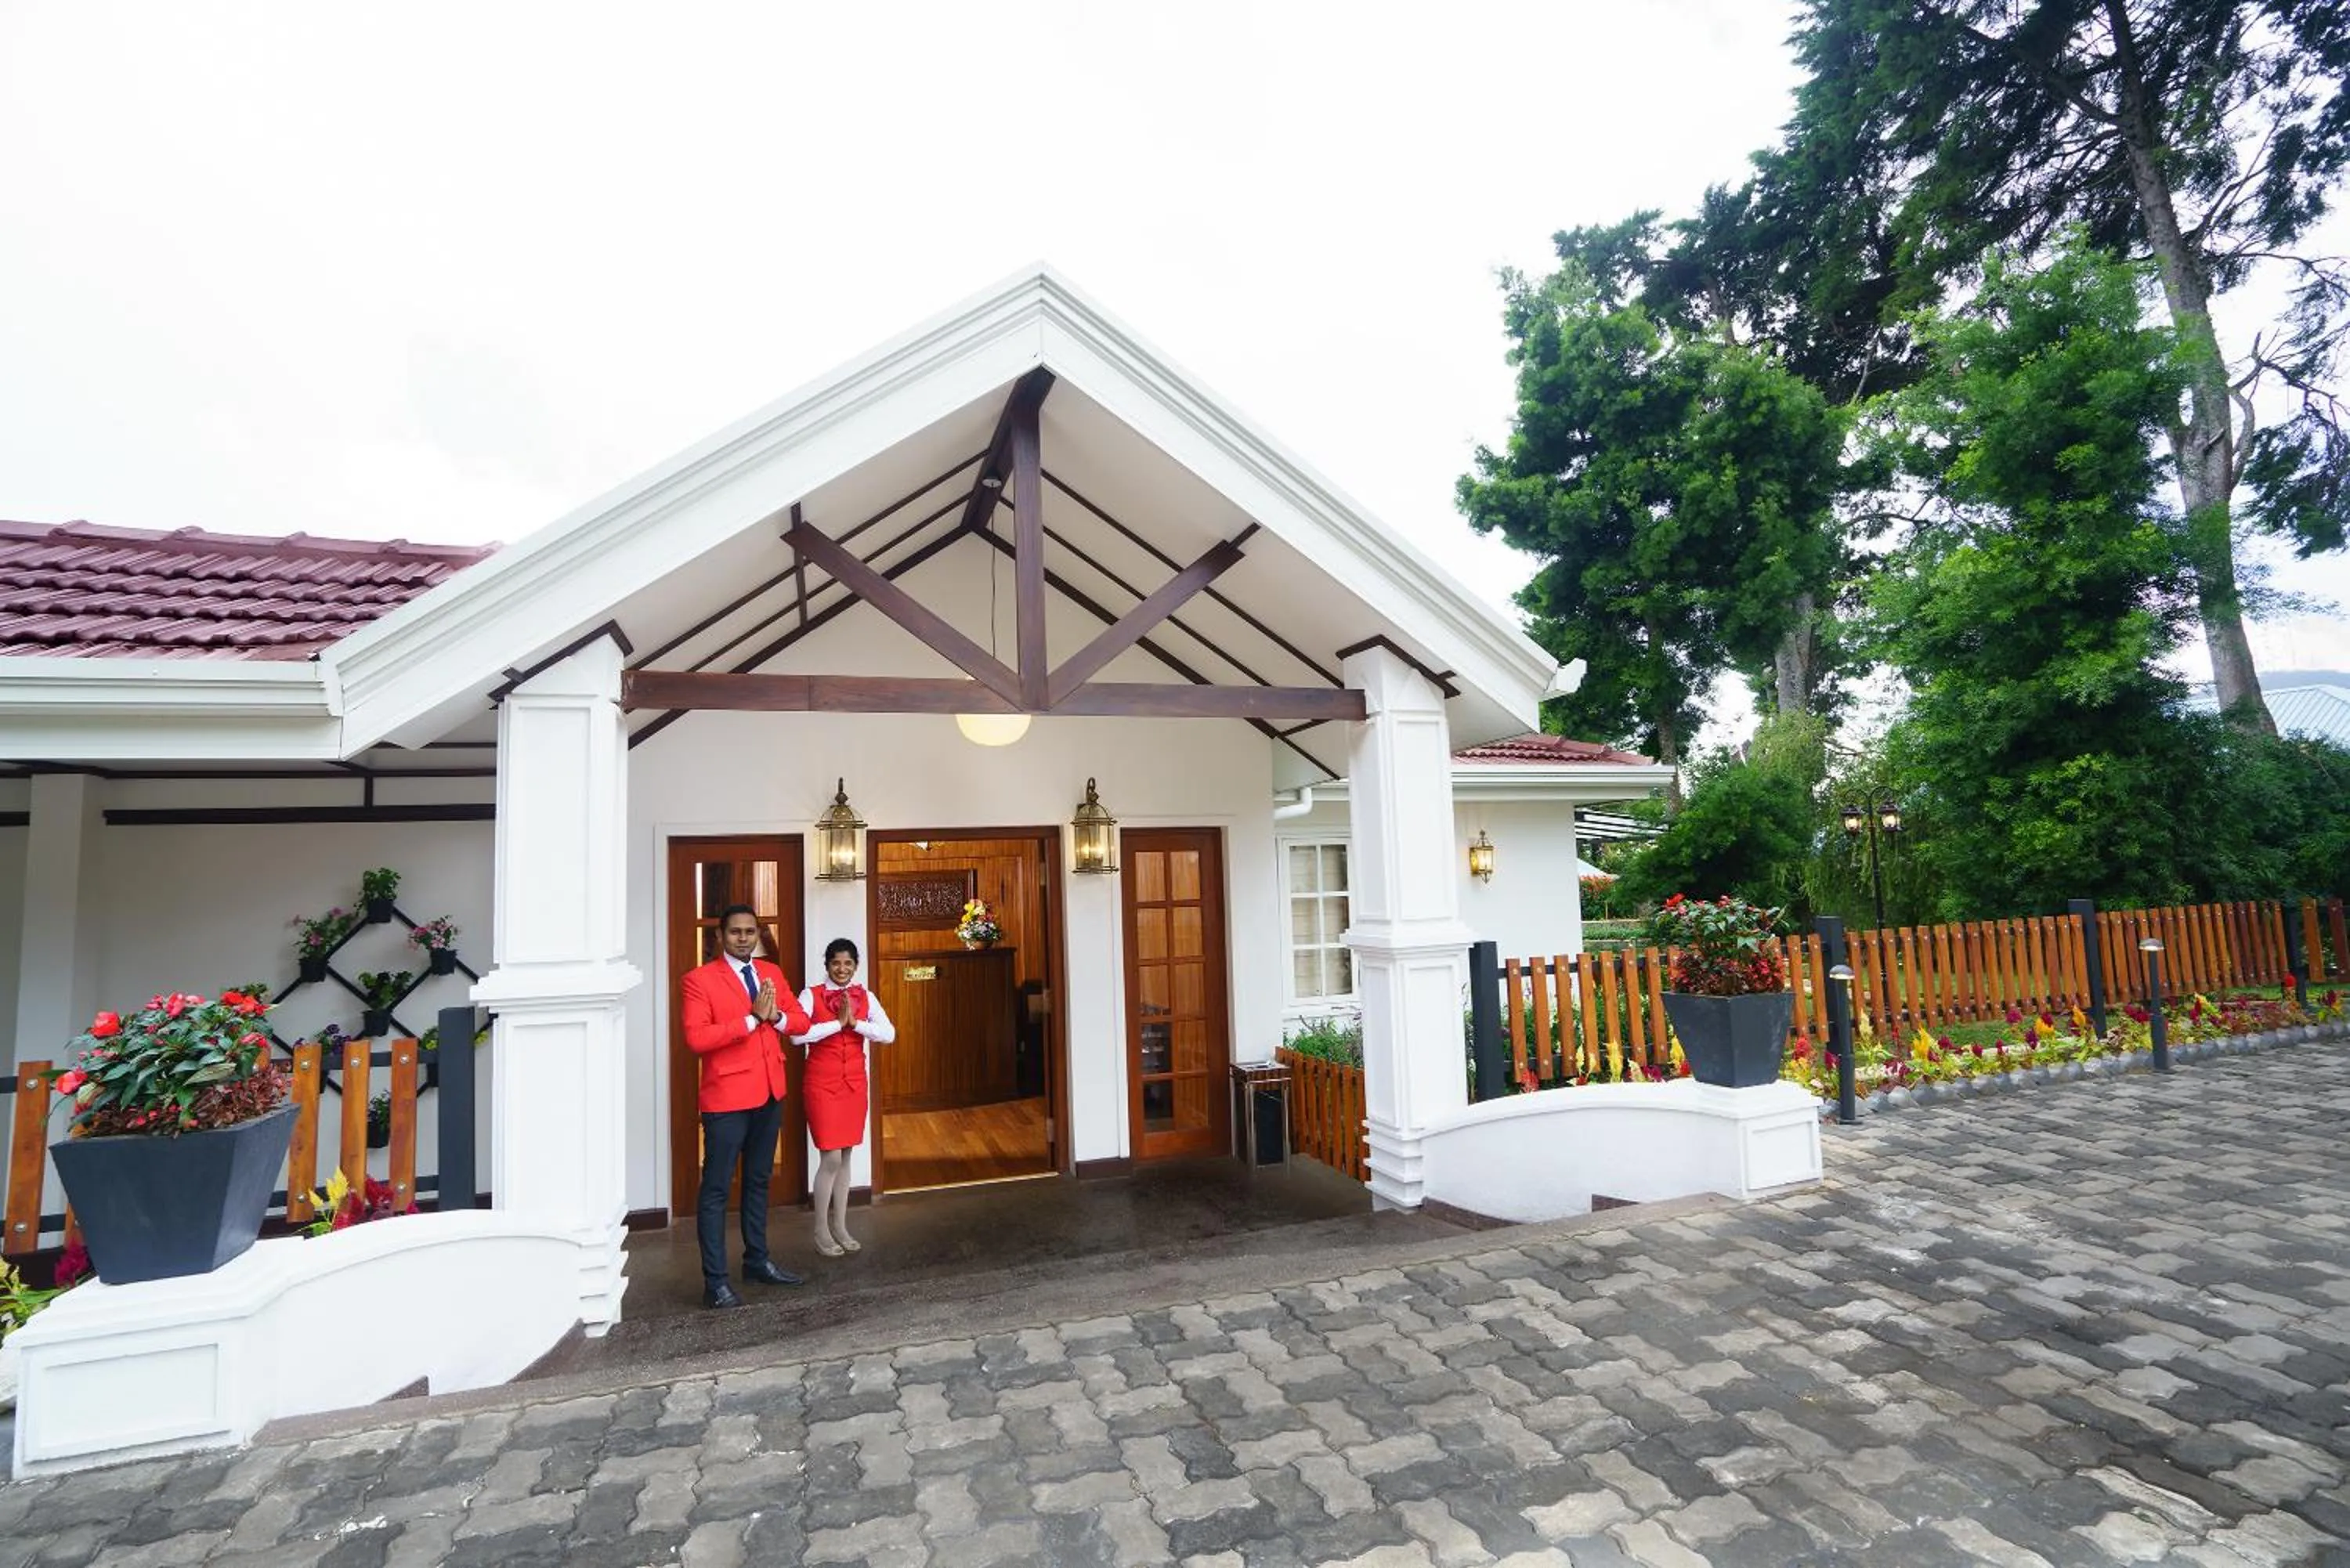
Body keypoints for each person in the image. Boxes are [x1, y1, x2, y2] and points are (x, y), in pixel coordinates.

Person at [681, 903, 812, 1308]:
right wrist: (753, 1020)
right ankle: (715, 1282)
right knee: (717, 1190)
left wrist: (778, 1019)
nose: (743, 938)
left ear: (758, 935)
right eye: (735, 932)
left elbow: (801, 1022)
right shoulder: (699, 980)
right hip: (726, 1099)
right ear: (721, 937)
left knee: (758, 1182)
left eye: (750, 932)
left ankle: (757, 1260)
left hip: (770, 1092)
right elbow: (698, 1039)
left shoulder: (770, 973)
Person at [794, 937, 895, 1255]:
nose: (842, 969)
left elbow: (889, 1034)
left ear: (855, 966)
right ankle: (821, 1230)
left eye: (848, 963)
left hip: (853, 1085)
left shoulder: (865, 996)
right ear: (827, 965)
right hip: (822, 1084)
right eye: (836, 963)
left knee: (847, 1156)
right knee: (831, 1158)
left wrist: (856, 1024)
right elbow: (797, 1035)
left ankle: (841, 1225)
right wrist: (836, 1026)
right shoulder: (810, 996)